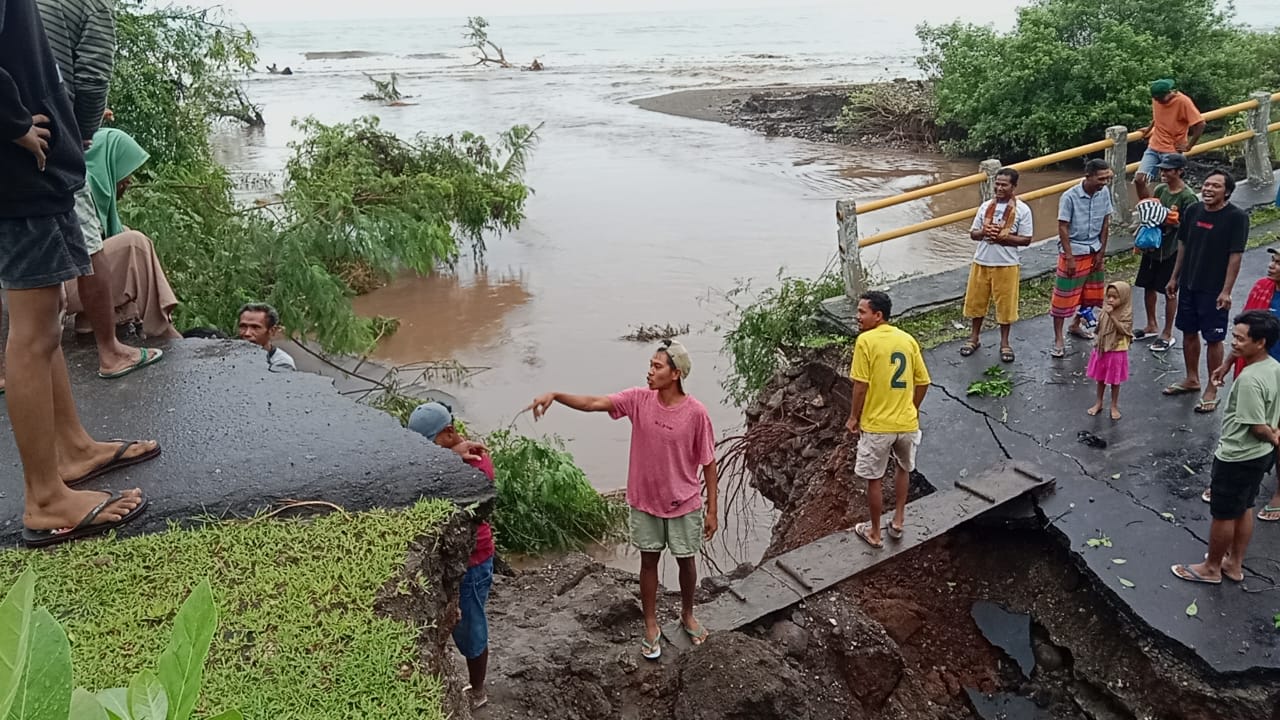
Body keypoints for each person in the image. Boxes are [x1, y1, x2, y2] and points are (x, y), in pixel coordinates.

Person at [1, 0, 153, 547]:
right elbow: (88, 76)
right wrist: (15, 122)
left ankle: (71, 448)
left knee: (47, 319)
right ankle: (44, 497)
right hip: (20, 170)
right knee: (34, 331)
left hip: (43, 168)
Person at [526, 340, 718, 660]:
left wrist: (713, 509)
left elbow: (708, 462)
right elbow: (593, 403)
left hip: (684, 502)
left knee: (687, 561)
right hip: (645, 501)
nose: (650, 371)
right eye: (650, 364)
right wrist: (556, 396)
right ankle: (651, 624)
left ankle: (687, 614)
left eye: (657, 367)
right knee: (648, 562)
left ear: (676, 374)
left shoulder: (696, 413)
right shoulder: (638, 400)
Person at [33, 0, 165, 380]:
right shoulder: (92, 5)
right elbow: (91, 77)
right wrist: (84, 133)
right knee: (87, 243)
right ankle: (110, 351)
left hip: (16, 131)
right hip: (53, 137)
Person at [1172, 311, 1280, 585]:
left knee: (1223, 513)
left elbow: (1256, 426)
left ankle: (1211, 568)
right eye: (1234, 336)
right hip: (1259, 457)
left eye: (1240, 339)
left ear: (1261, 342)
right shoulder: (1273, 367)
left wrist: (1273, 437)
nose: (1234, 343)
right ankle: (1234, 564)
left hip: (1238, 455)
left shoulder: (1249, 381)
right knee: (1245, 506)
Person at [408, 401, 495, 711]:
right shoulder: (447, 458)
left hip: (473, 561)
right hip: (452, 560)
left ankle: (479, 690)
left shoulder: (476, 463)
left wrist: (448, 461)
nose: (425, 451)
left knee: (471, 625)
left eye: (429, 444)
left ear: (448, 433)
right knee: (452, 620)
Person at [63, 127, 181, 346]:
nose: (129, 180)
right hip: (54, 289)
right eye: (125, 169)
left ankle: (91, 323)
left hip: (67, 281)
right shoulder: (82, 189)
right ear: (108, 162)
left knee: (122, 233)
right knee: (135, 244)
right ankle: (161, 328)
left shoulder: (89, 186)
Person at [846, 291, 931, 549]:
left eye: (862, 312)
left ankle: (874, 533)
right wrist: (912, 408)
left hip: (878, 426)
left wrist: (853, 417)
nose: (858, 317)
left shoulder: (866, 341)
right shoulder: (907, 339)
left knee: (875, 479)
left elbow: (860, 385)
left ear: (878, 315)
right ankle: (898, 521)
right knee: (904, 469)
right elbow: (923, 381)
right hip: (906, 424)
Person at [1163, 171, 1248, 414]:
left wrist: (1226, 291)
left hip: (1214, 289)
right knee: (1189, 333)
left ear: (1227, 192)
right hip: (1189, 284)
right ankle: (1192, 379)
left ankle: (1212, 387)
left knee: (1213, 338)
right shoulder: (1193, 211)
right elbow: (1183, 245)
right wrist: (1174, 277)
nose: (1208, 189)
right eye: (1207, 184)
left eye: (1216, 186)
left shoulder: (1236, 217)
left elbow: (1236, 256)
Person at [1207, 249, 1280, 521]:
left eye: (1278, 262)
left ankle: (1277, 493)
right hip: (1252, 372)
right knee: (1241, 425)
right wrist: (1227, 364)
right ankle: (1230, 484)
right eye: (1272, 260)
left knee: (1272, 431)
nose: (1271, 266)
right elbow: (1243, 334)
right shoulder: (1262, 288)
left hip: (1275, 377)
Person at [959, 167, 1033, 363]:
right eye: (997, 184)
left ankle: (1005, 343)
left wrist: (1003, 238)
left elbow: (1026, 240)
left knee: (1005, 306)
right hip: (981, 261)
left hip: (1006, 264)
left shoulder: (1022, 210)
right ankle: (974, 337)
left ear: (1014, 187)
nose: (999, 188)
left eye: (1004, 185)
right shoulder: (985, 207)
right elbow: (973, 234)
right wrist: (985, 232)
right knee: (976, 302)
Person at [1134, 154, 1198, 353]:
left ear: (1179, 171)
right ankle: (1151, 324)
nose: (1163, 173)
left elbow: (1190, 227)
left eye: (1168, 170)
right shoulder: (1161, 189)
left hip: (1172, 250)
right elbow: (1151, 208)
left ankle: (1167, 332)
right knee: (1148, 286)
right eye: (1162, 170)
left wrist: (1172, 222)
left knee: (1170, 291)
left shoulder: (1188, 197)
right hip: (1154, 247)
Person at [1052, 159, 1114, 357]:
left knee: (1091, 294)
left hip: (1094, 248)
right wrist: (1069, 257)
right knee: (1063, 297)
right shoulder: (1069, 197)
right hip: (1074, 250)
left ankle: (1076, 325)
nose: (1104, 182)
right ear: (1088, 176)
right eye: (1100, 178)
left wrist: (1102, 252)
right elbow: (1063, 227)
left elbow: (1105, 222)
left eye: (1107, 178)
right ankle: (1058, 339)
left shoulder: (1104, 193)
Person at [1135, 80, 1204, 199]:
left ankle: (1175, 208)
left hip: (1171, 150)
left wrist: (1189, 146)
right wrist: (1149, 129)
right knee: (1139, 180)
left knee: (1170, 184)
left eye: (1160, 98)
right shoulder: (1157, 99)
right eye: (1155, 98)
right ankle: (1149, 208)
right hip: (1154, 146)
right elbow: (1158, 116)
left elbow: (1200, 124)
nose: (1157, 101)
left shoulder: (1183, 101)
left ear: (1169, 93)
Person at [1085, 282, 1133, 420]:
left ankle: (1114, 405)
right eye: (1108, 296)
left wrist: (1112, 316)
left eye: (1115, 297)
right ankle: (1099, 402)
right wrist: (1088, 323)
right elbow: (1100, 327)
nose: (1110, 300)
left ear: (1123, 298)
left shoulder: (1125, 313)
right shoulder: (1105, 311)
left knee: (1114, 381)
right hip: (1102, 347)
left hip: (1116, 350)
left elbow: (1124, 330)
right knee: (1100, 378)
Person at [237, 303, 296, 372]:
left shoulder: (282, 363)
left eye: (255, 327)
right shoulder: (231, 355)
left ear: (272, 331)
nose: (247, 333)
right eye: (243, 326)